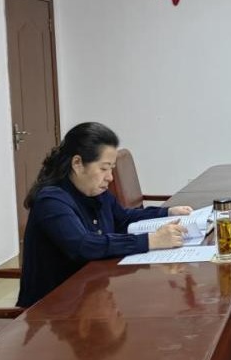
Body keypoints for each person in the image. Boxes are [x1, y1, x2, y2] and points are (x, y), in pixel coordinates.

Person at [18, 122, 192, 307]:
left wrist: (167, 212)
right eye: (104, 168)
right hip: (50, 310)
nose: (110, 177)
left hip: (90, 295)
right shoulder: (51, 200)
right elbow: (83, 245)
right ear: (77, 164)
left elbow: (123, 218)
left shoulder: (94, 192)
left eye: (111, 168)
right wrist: (152, 240)